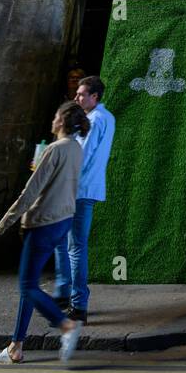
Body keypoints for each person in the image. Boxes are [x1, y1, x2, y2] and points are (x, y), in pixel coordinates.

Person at [0, 101, 91, 366]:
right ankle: (16, 346)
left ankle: (65, 324)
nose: (53, 118)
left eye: (56, 115)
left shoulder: (54, 149)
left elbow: (30, 192)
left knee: (27, 285)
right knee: (30, 285)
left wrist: (4, 222)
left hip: (42, 223)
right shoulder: (75, 149)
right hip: (62, 222)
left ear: (61, 121)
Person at [53, 75, 116, 324]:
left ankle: (78, 305)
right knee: (66, 242)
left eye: (81, 94)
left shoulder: (96, 119)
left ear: (94, 97)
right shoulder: (104, 118)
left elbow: (83, 156)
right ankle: (65, 294)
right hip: (83, 190)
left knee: (75, 246)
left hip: (78, 190)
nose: (77, 98)